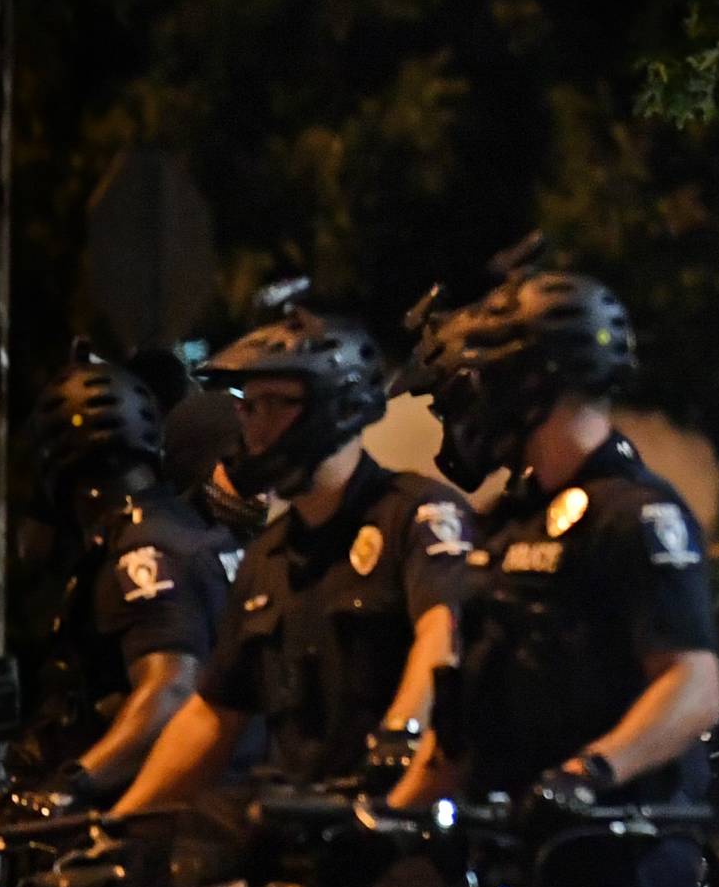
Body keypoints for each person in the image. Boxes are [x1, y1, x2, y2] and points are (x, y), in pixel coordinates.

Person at [388, 262, 719, 887]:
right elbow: (469, 715)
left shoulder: (637, 514)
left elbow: (693, 687)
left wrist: (587, 773)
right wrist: (387, 816)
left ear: (532, 381)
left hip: (625, 864)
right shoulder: (509, 527)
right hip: (522, 877)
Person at [114, 303, 471, 808]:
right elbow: (214, 714)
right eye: (247, 407)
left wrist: (402, 733)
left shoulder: (416, 518)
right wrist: (117, 825)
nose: (253, 428)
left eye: (274, 405)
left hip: (401, 826)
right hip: (300, 831)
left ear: (338, 406)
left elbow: (442, 633)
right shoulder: (268, 555)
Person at [0, 354, 231, 813]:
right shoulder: (174, 525)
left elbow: (170, 689)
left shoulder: (140, 551)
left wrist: (70, 785)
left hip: (160, 823)